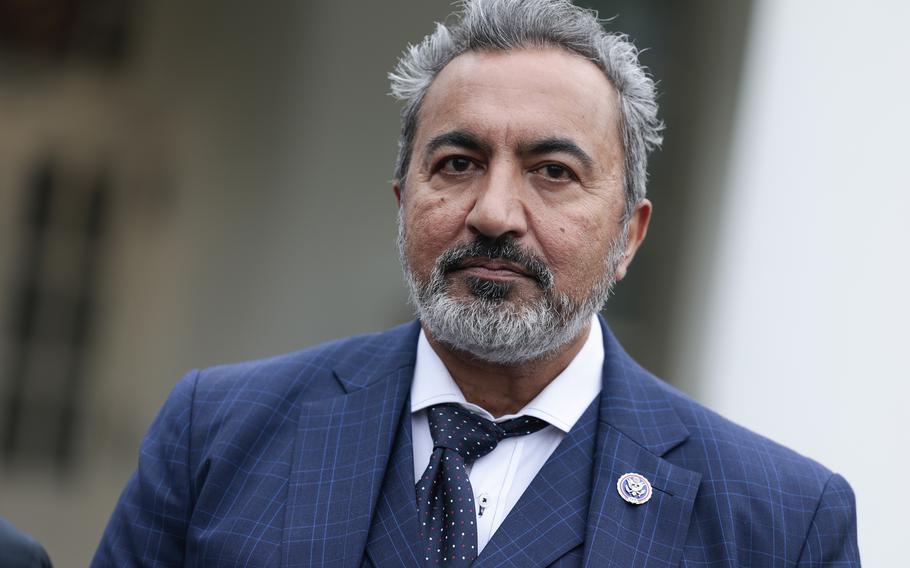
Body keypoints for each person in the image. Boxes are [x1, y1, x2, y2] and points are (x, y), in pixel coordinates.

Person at [92, 0, 859, 566]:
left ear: (629, 234)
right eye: (456, 164)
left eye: (553, 172)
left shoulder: (780, 524)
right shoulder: (217, 438)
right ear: (404, 203)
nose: (493, 213)